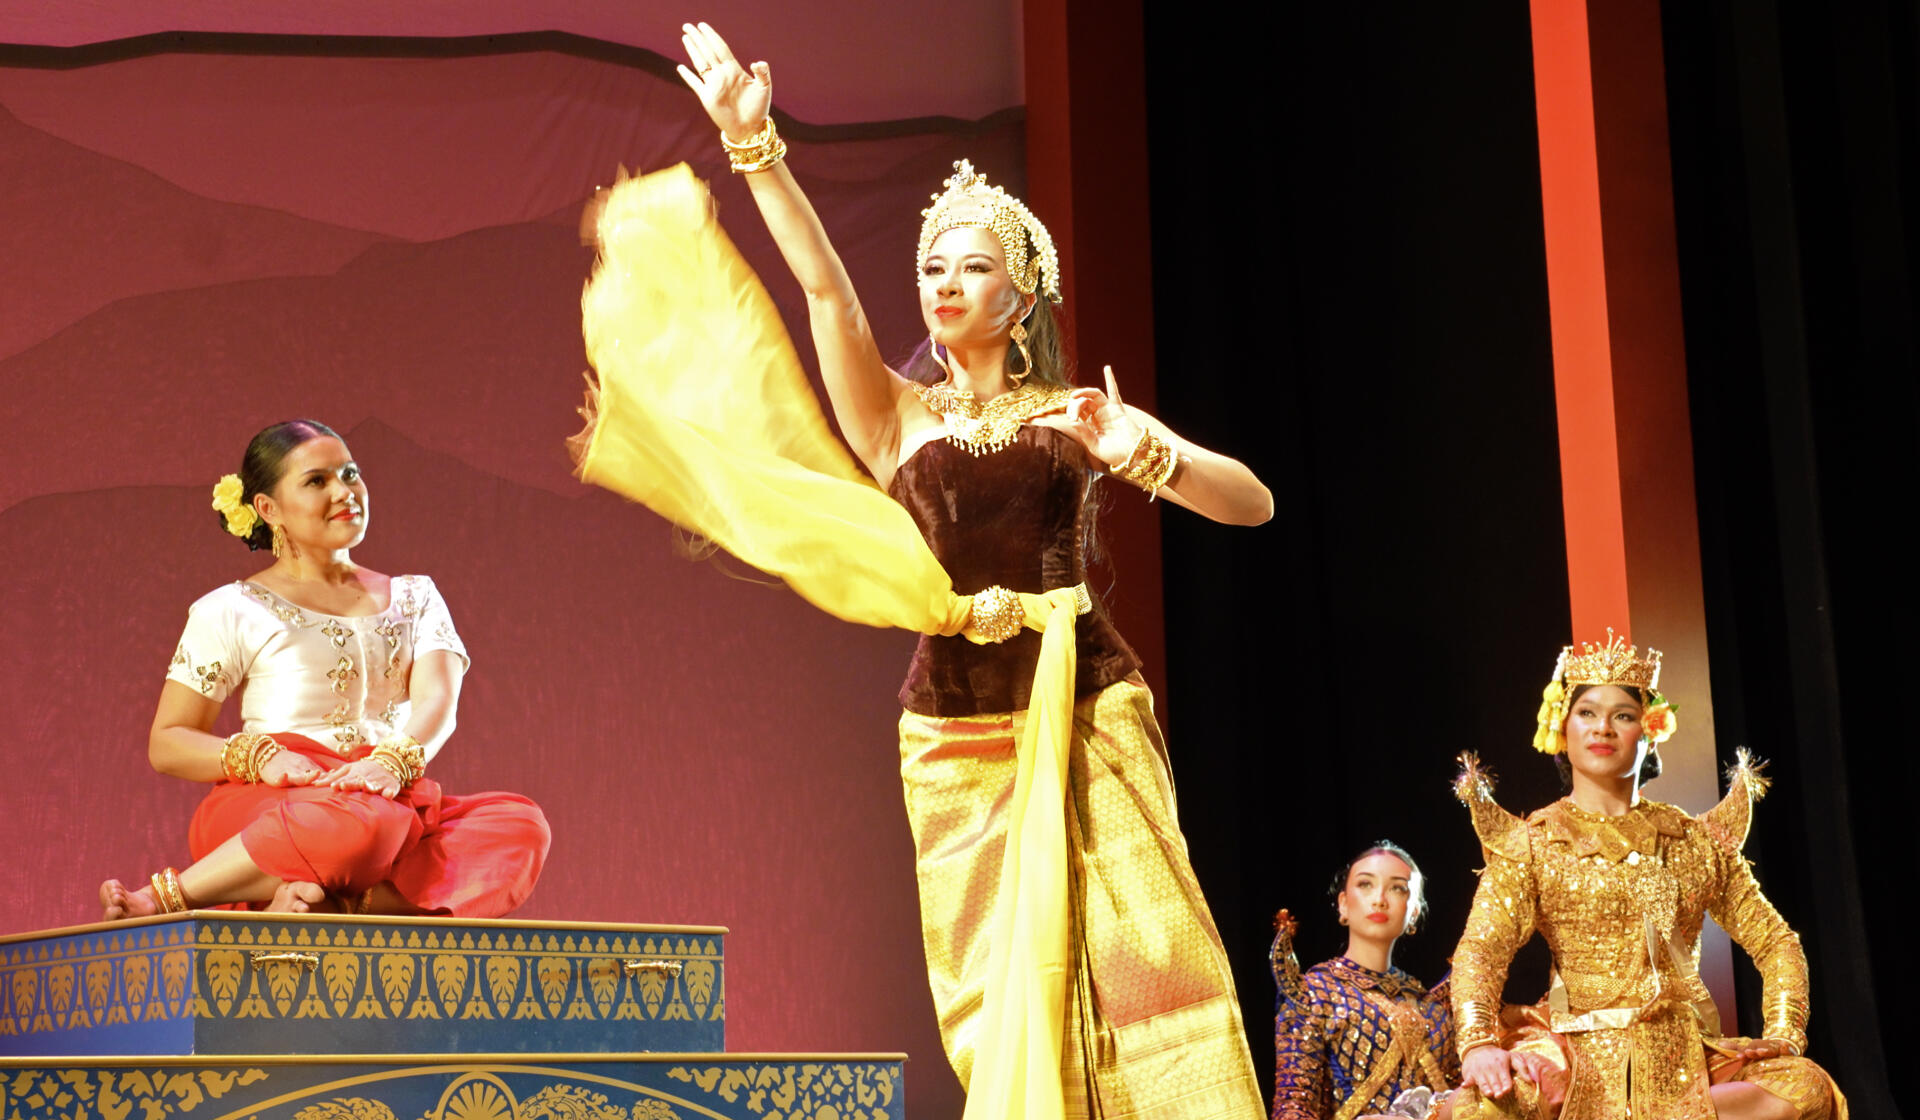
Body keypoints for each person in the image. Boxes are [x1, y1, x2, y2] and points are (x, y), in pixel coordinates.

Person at [566, 21, 1272, 1119]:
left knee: (1148, 962)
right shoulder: (897, 420)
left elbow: (1252, 503)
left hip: (1087, 705)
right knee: (999, 993)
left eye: (974, 264)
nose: (945, 281)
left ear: (1023, 293)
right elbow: (829, 298)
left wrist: (1150, 452)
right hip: (955, 730)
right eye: (932, 265)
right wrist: (760, 150)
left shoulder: (1078, 413)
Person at [98, 420, 549, 920]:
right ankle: (162, 899)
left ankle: (326, 901)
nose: (345, 492)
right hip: (278, 807)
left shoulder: (415, 597)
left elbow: (438, 703)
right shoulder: (231, 608)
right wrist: (259, 758)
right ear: (268, 509)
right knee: (362, 827)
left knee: (518, 827)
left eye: (351, 474)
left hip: (388, 799)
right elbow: (169, 742)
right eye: (317, 481)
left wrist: (392, 763)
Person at [1448, 633, 1845, 1120]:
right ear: (1562, 728)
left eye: (1624, 715)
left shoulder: (1693, 841)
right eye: (1587, 713)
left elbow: (1776, 941)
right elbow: (1481, 952)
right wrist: (1477, 1043)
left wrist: (1784, 1030)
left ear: (1649, 731)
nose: (1603, 729)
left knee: (1807, 1088)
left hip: (1678, 1054)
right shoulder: (1533, 844)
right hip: (1571, 1049)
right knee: (1480, 1109)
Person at [1271, 844, 1458, 1120]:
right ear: (1344, 904)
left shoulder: (1436, 1011)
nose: (1380, 899)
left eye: (1397, 888)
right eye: (1366, 884)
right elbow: (1293, 1108)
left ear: (1414, 912)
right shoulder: (1316, 995)